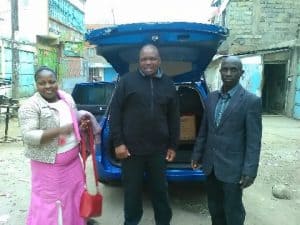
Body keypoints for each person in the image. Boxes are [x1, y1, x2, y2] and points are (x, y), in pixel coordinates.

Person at [18, 66, 99, 225]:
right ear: (36, 84)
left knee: (75, 195)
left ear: (57, 81)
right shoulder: (31, 106)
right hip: (48, 165)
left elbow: (73, 121)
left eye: (51, 81)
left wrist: (80, 127)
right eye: (42, 83)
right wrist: (59, 130)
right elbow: (29, 136)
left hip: (73, 162)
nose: (48, 86)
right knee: (51, 201)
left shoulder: (66, 98)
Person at [109, 44, 180, 225]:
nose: (148, 62)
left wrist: (173, 145)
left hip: (158, 150)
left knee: (160, 191)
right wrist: (119, 143)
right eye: (144, 59)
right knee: (132, 192)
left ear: (159, 60)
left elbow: (174, 117)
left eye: (152, 58)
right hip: (131, 151)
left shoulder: (168, 84)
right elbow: (115, 114)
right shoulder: (126, 81)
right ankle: (131, 222)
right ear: (139, 61)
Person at [191, 56, 262, 225]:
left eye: (233, 69)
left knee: (233, 210)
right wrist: (197, 154)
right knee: (215, 208)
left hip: (233, 168)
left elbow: (254, 140)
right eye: (225, 69)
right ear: (220, 71)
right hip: (211, 166)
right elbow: (204, 131)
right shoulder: (211, 98)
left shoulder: (251, 101)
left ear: (241, 73)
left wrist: (250, 170)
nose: (228, 73)